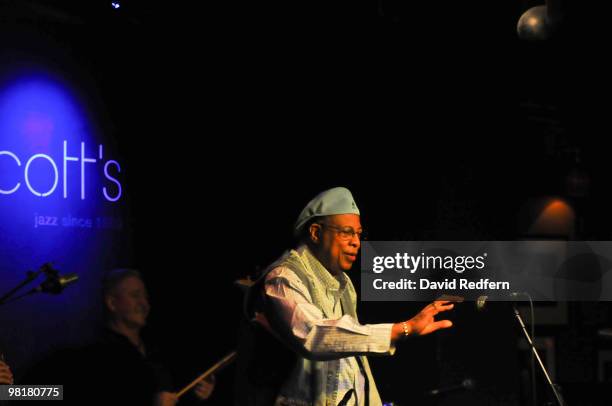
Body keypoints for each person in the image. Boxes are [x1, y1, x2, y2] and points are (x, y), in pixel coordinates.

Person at [243, 187, 455, 406]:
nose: (356, 242)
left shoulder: (343, 284)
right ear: (316, 233)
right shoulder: (281, 279)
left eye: (359, 234)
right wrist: (401, 330)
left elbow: (351, 363)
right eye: (346, 232)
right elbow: (313, 335)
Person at [84, 269, 215, 406]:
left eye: (145, 297)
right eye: (135, 296)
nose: (145, 304)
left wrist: (196, 395)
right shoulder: (96, 352)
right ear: (112, 303)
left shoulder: (154, 349)